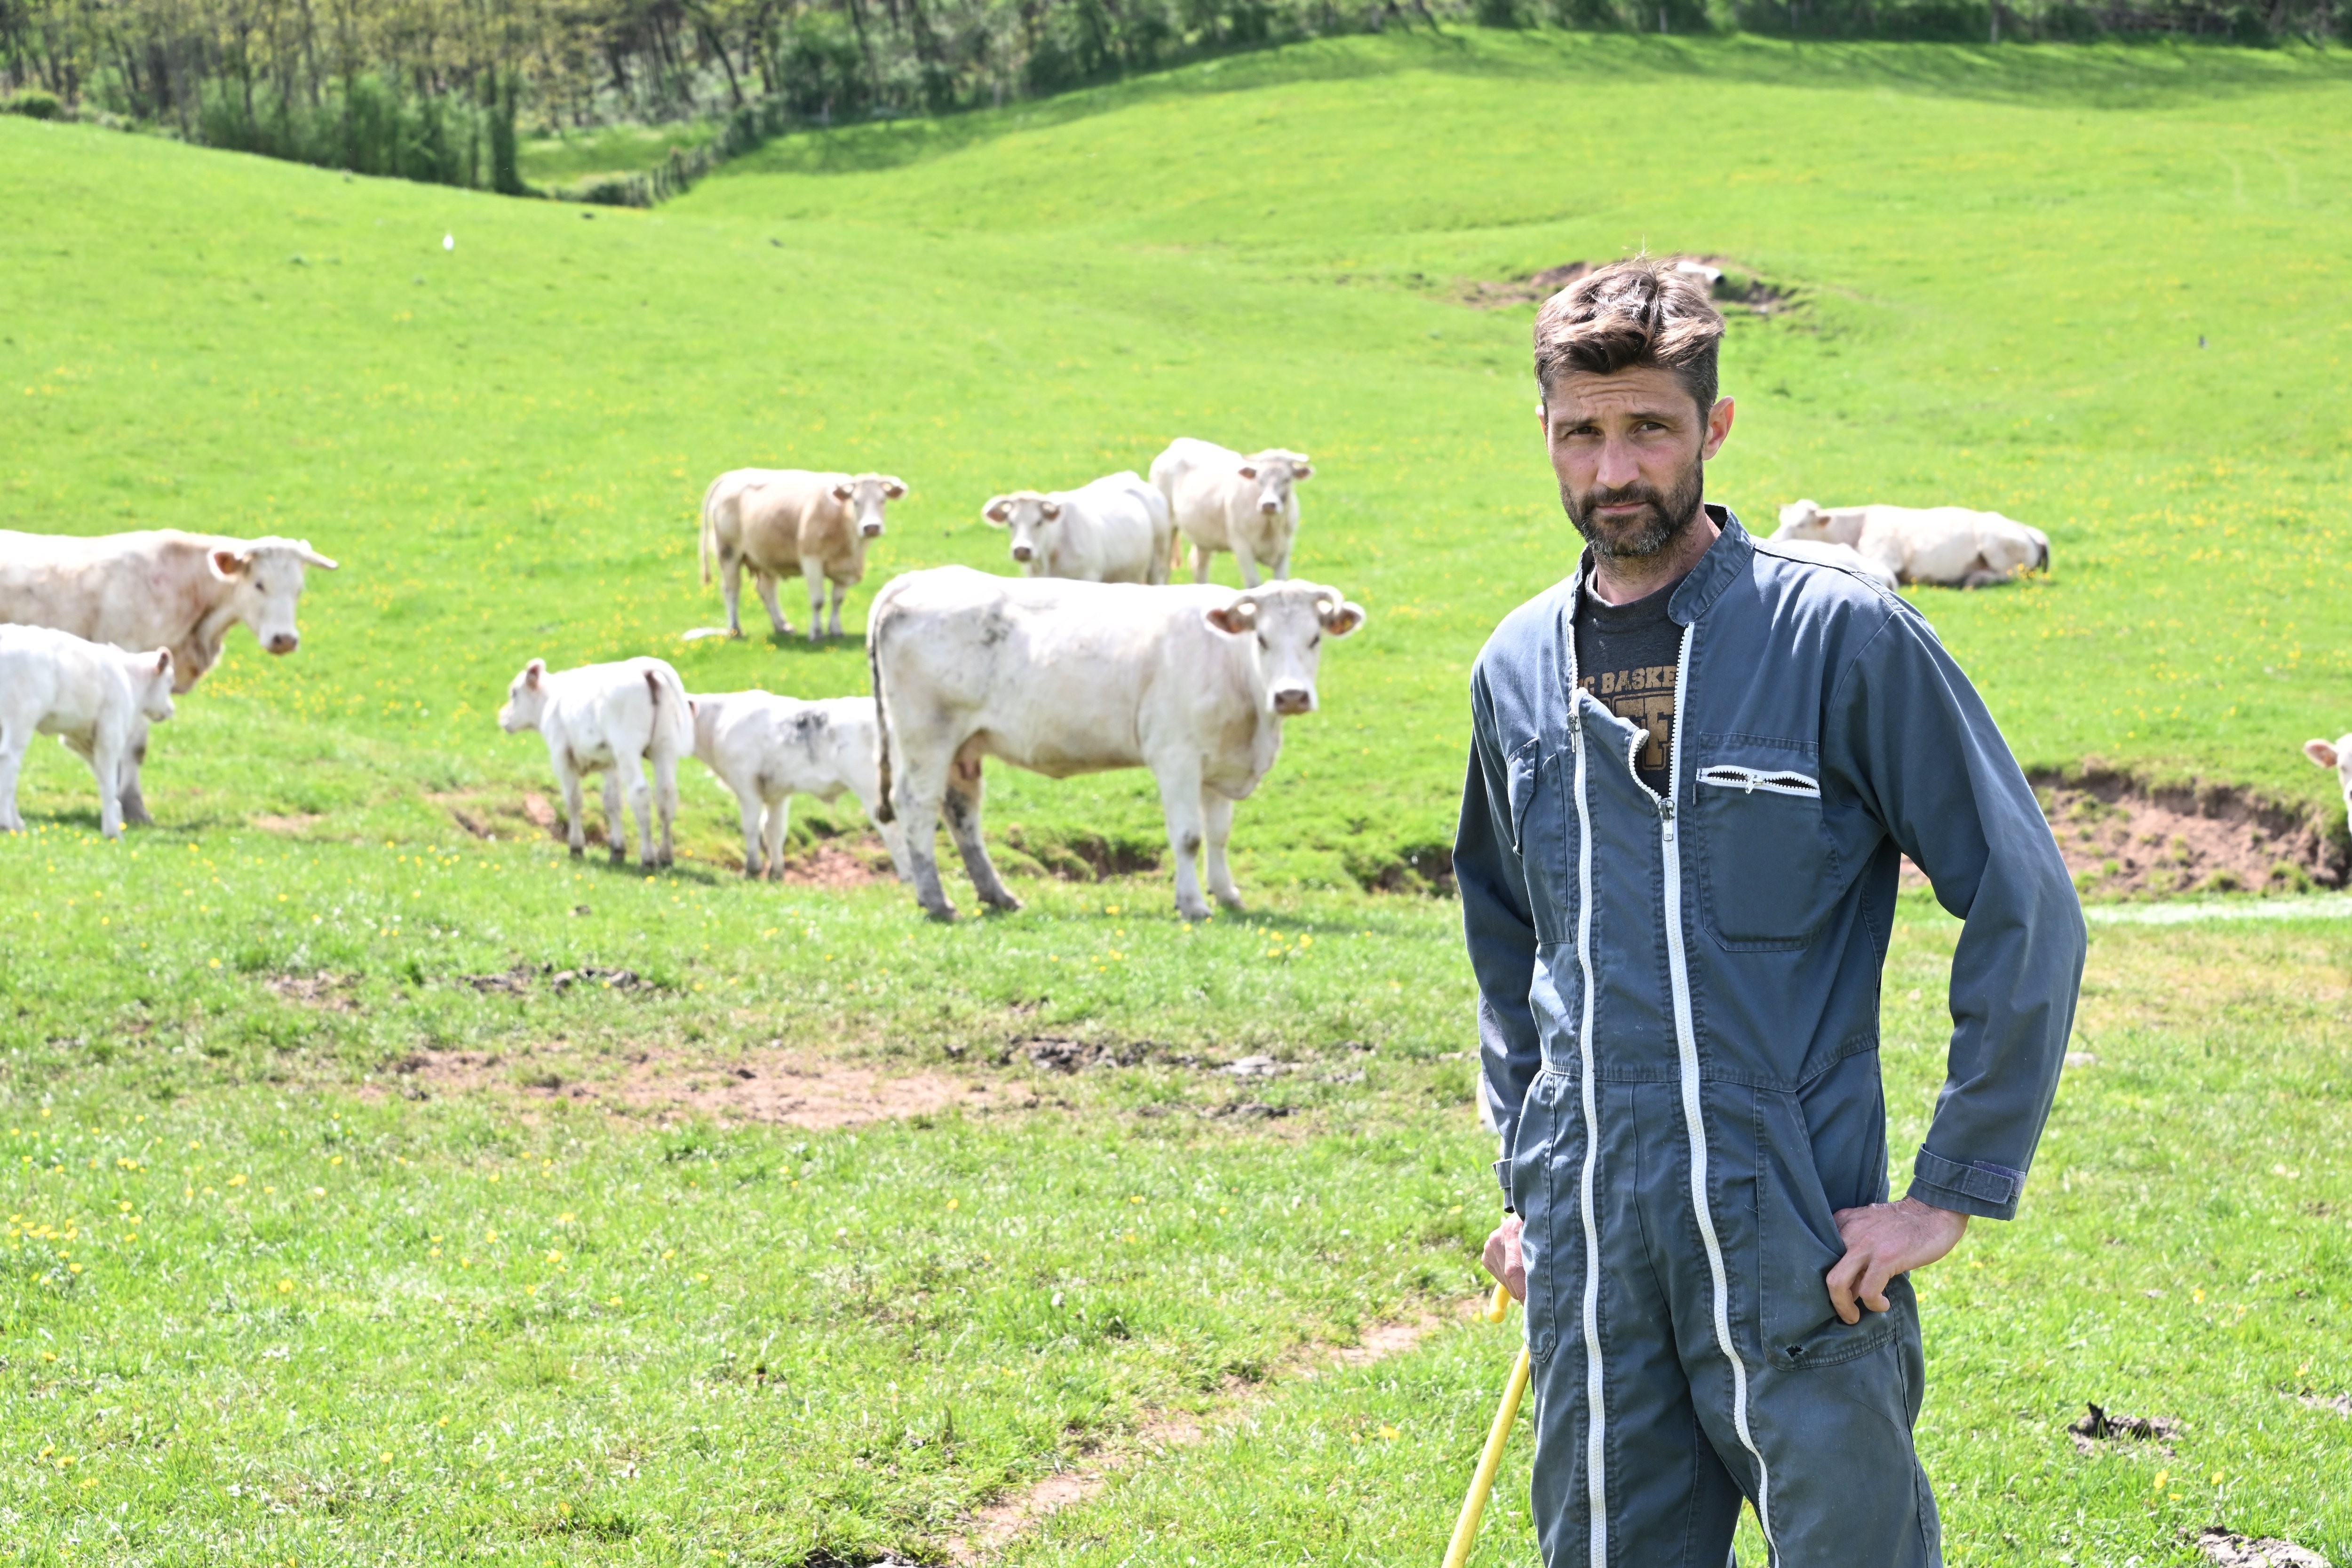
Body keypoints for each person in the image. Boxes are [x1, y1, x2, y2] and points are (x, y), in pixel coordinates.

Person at [1454, 256, 2084, 1567]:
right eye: (1584, 432)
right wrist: (1530, 1185)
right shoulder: (1515, 666)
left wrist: (1951, 1192)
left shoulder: (1840, 635)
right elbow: (1509, 944)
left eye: (1650, 430)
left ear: (1715, 428)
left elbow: (2024, 902)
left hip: (1799, 1238)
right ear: (1547, 433)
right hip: (1592, 1244)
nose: (1614, 468)